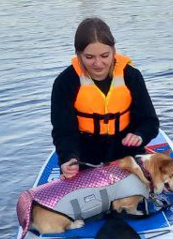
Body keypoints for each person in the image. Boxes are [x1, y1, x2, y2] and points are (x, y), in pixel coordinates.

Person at [51, 17, 160, 180]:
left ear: (114, 51)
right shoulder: (65, 82)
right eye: (89, 57)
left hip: (126, 156)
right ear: (78, 54)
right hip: (84, 160)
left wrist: (140, 134)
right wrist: (68, 158)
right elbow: (64, 131)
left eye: (104, 55)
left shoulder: (131, 76)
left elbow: (150, 122)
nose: (98, 63)